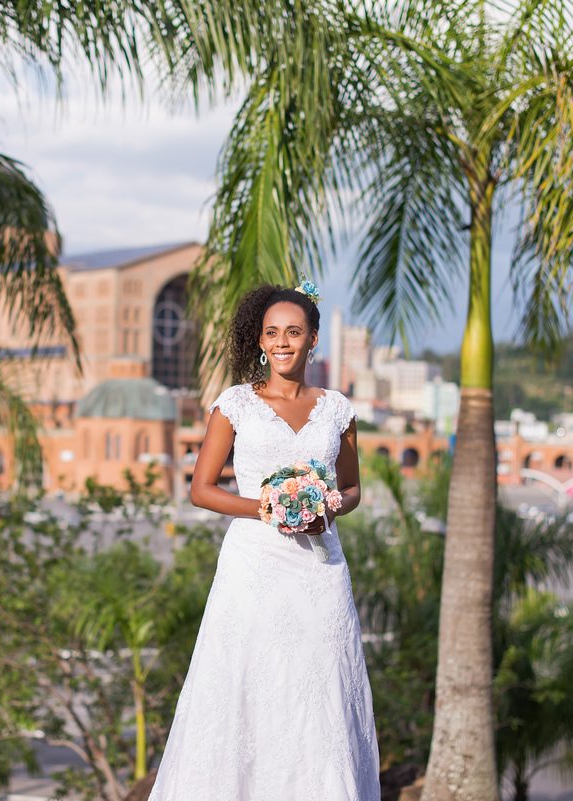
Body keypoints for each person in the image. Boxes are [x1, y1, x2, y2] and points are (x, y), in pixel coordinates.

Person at [148, 283, 379, 800]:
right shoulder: (234, 405)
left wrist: (328, 507)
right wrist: (268, 508)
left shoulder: (337, 409)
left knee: (320, 686)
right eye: (272, 332)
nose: (282, 342)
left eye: (293, 332)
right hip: (253, 565)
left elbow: (353, 488)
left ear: (313, 339)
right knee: (250, 681)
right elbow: (201, 490)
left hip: (320, 567)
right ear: (259, 340)